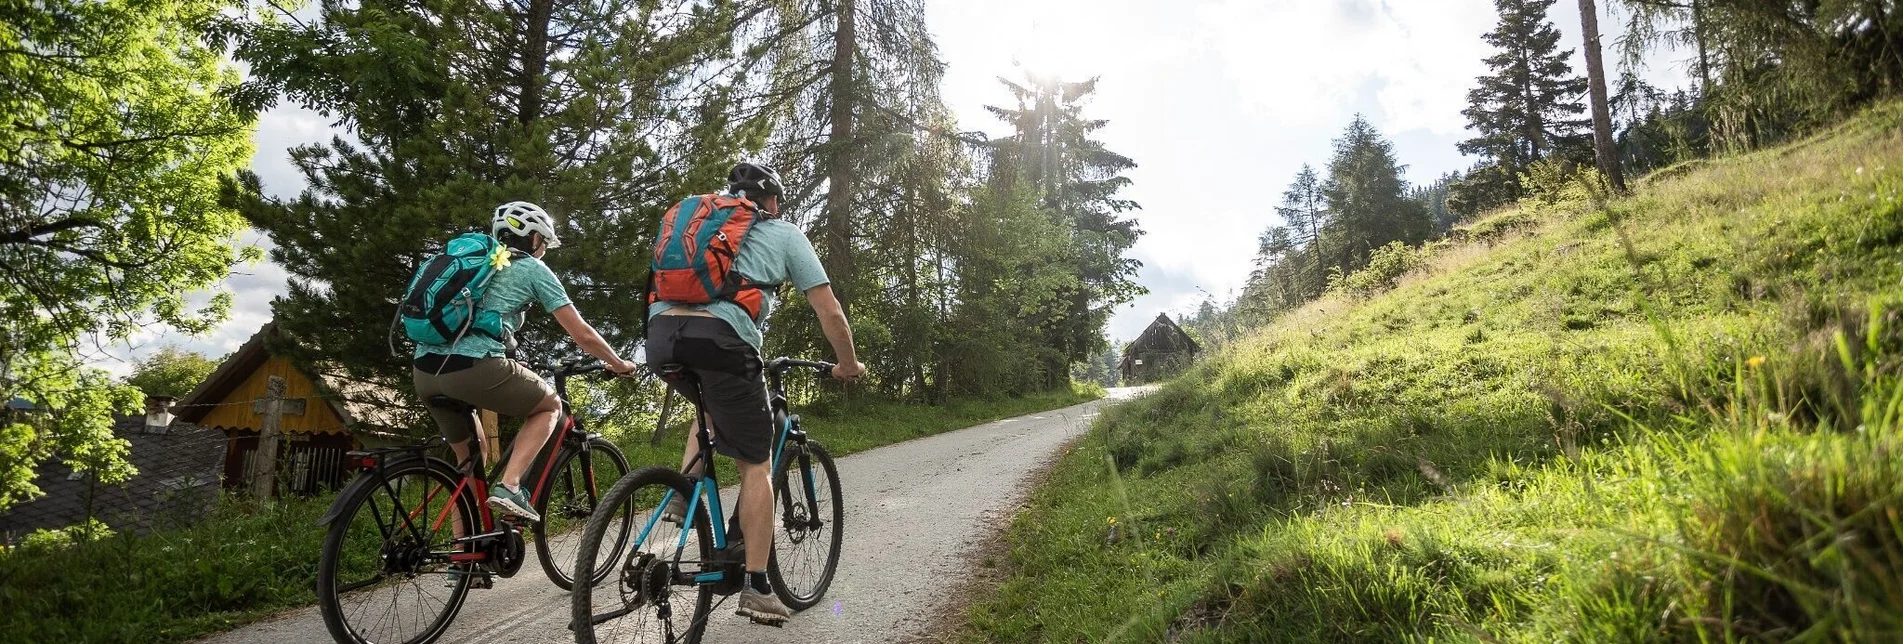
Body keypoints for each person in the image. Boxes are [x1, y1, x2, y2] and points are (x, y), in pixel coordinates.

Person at [645, 163, 865, 625]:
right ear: (771, 202)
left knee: (708, 406)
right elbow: (829, 309)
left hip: (662, 336)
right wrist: (847, 363)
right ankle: (758, 586)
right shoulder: (784, 233)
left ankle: (682, 494)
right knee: (757, 464)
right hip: (723, 341)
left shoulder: (699, 226)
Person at [413, 201, 637, 522]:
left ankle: (466, 564)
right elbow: (581, 333)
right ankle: (510, 486)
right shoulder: (532, 268)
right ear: (532, 239)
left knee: (469, 467)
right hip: (471, 367)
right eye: (543, 242)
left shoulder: (477, 265)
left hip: (424, 370)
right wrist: (617, 363)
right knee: (550, 406)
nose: (543, 250)